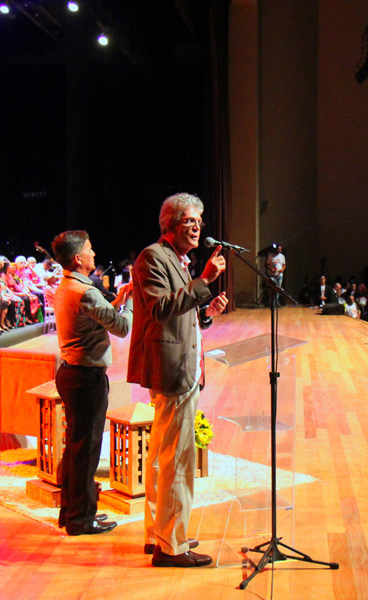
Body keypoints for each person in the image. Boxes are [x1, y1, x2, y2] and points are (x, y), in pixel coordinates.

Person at [128, 193, 228, 568]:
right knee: (177, 461)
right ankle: (171, 546)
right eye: (190, 220)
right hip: (172, 370)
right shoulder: (153, 256)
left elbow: (179, 315)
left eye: (200, 221)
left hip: (181, 364)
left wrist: (205, 313)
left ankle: (160, 533)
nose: (197, 226)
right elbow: (160, 309)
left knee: (162, 456)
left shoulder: (178, 261)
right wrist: (203, 281)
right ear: (169, 222)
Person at [51, 230, 133, 536]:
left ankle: (70, 511)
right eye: (90, 249)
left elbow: (96, 313)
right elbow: (123, 327)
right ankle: (81, 518)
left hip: (71, 373)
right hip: (86, 377)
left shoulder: (69, 285)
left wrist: (116, 301)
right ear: (78, 258)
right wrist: (132, 301)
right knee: (86, 450)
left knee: (76, 447)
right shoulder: (84, 291)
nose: (94, 254)